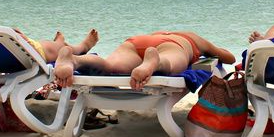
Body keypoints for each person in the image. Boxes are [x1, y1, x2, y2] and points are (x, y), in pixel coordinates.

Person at [54, 31, 236, 91]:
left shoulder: (158, 33)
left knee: (110, 67)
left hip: (136, 41)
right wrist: (213, 50)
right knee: (170, 64)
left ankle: (74, 60)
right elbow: (228, 58)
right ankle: (156, 61)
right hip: (172, 45)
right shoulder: (191, 37)